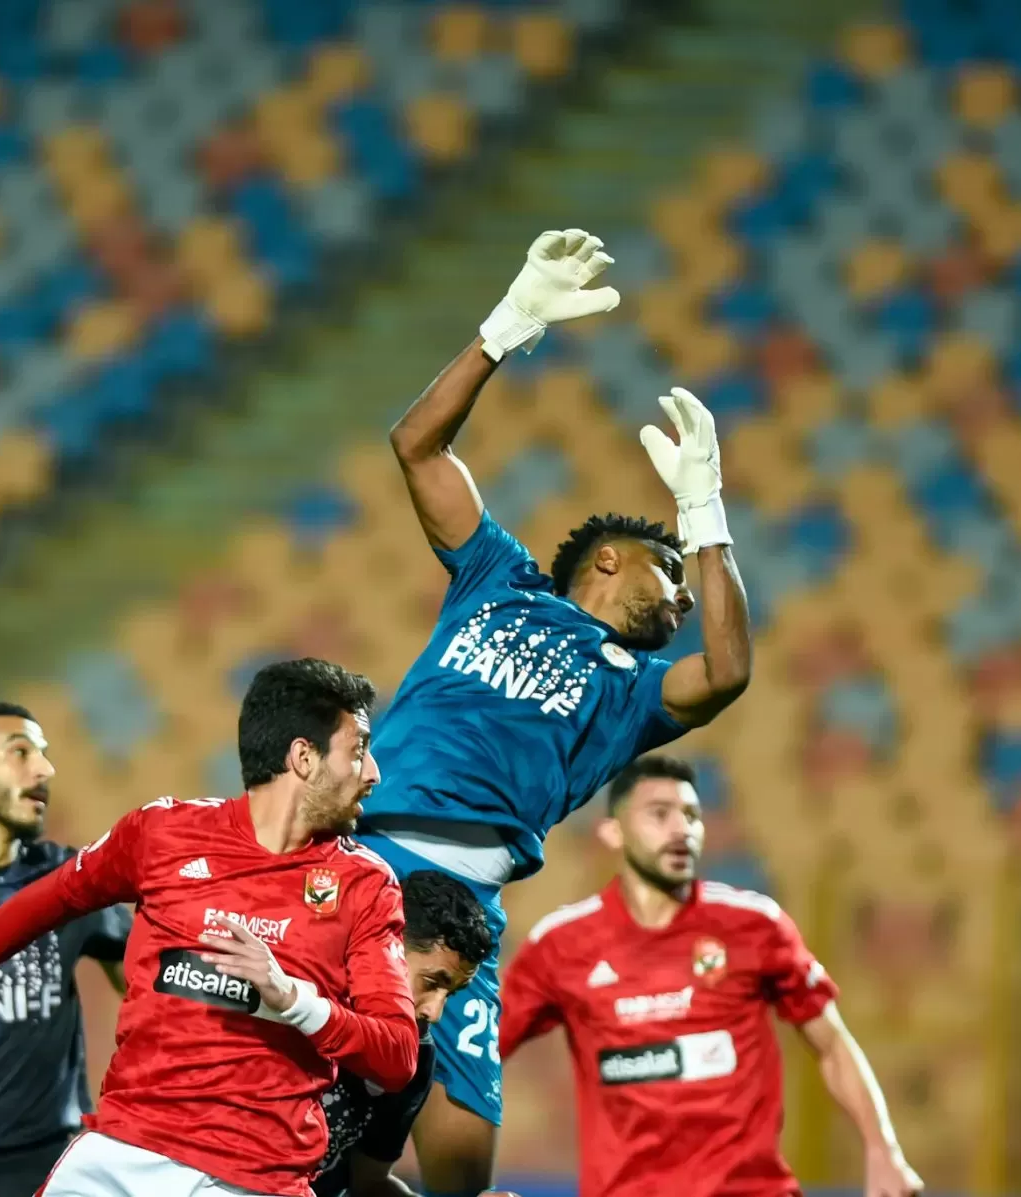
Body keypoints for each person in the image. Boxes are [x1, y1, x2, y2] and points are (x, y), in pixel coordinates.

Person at [353, 227, 752, 1194]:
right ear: (608, 559)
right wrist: (509, 325)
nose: (684, 597)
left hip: (468, 911)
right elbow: (416, 444)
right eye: (671, 571)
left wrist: (705, 516)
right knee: (292, 1120)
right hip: (366, 867)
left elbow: (730, 669)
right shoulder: (498, 577)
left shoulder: (635, 693)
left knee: (459, 1168)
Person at [0, 658, 420, 1197]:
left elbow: (397, 1055)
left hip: (256, 1180)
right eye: (358, 750)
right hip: (124, 1157)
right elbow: (40, 905)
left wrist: (293, 1000)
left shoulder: (365, 884)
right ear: (303, 757)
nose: (373, 772)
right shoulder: (163, 832)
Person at [497, 757, 922, 1197]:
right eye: (660, 814)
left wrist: (883, 1150)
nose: (681, 829)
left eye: (692, 815)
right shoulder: (561, 944)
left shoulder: (754, 924)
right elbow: (481, 1055)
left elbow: (832, 1045)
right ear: (613, 832)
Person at [0, 703, 132, 1197]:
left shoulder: (70, 880)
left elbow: (155, 989)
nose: (45, 769)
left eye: (44, 754)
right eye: (20, 752)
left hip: (58, 1167)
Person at [314, 868, 491, 1197]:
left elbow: (370, 1184)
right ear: (387, 945)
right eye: (432, 982)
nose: (434, 1012)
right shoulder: (299, 998)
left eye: (450, 993)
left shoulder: (417, 1055)